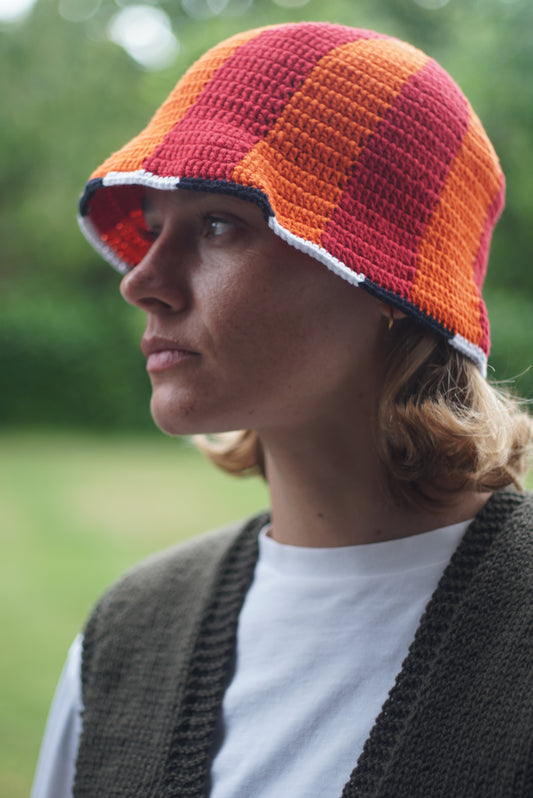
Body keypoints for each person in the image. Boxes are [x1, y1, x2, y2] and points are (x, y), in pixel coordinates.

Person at [31, 21, 532, 798]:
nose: (141, 280)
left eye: (219, 224)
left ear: (390, 285)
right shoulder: (127, 637)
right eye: (154, 230)